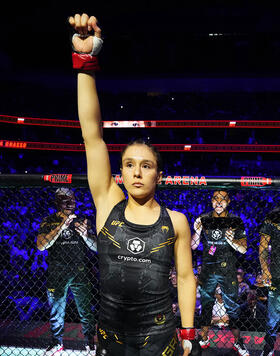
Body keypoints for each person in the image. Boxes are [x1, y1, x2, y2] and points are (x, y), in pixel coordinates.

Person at [68, 13, 200, 356]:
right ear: (121, 173)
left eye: (146, 166)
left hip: (161, 342)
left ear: (159, 175)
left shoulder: (177, 222)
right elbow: (92, 135)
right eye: (129, 165)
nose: (137, 172)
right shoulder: (108, 202)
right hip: (111, 342)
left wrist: (188, 332)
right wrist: (85, 61)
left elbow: (186, 278)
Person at [37, 188, 97, 356]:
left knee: (86, 310)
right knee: (56, 311)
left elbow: (97, 248)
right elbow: (41, 246)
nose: (70, 202)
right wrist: (60, 227)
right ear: (57, 202)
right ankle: (57, 343)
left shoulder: (83, 220)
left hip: (79, 271)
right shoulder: (48, 221)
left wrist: (86, 237)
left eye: (72, 199)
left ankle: (90, 343)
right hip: (57, 271)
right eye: (65, 199)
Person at [191, 190, 249, 356]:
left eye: (223, 199)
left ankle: (238, 342)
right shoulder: (204, 219)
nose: (219, 202)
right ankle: (204, 338)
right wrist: (198, 232)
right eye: (216, 198)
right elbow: (193, 245)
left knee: (232, 308)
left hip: (227, 269)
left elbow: (244, 249)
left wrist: (232, 241)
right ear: (211, 201)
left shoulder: (235, 220)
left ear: (228, 202)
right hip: (208, 269)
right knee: (206, 306)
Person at [259, 207, 280, 356]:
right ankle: (269, 347)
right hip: (277, 274)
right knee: (273, 316)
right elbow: (263, 246)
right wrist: (265, 269)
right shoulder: (273, 216)